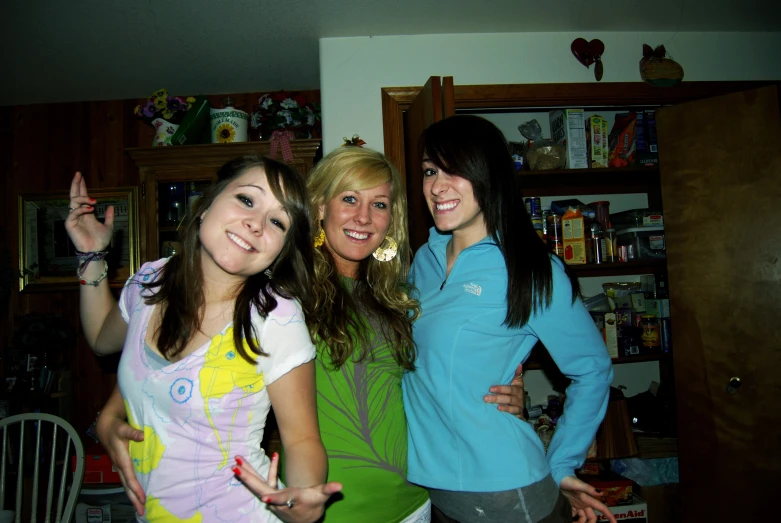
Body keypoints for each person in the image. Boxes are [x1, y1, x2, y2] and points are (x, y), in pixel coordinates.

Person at [98, 146, 525, 522]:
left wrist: (501, 389)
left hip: (411, 503)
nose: (364, 217)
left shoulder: (400, 296)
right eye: (350, 199)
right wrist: (112, 412)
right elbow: (173, 358)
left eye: (380, 205)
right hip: (327, 507)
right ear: (319, 207)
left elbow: (431, 379)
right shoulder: (282, 293)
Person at [67, 155, 341, 523]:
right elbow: (103, 338)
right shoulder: (149, 283)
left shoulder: (275, 317)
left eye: (277, 221)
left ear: (280, 251)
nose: (256, 224)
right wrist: (90, 254)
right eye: (247, 199)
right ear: (206, 204)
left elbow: (302, 440)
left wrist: (302, 501)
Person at [402, 115, 617, 523]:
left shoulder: (530, 269)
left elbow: (592, 370)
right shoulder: (422, 262)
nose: (437, 186)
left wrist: (562, 463)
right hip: (434, 488)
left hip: (504, 491)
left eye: (456, 170)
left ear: (490, 175)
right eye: (431, 171)